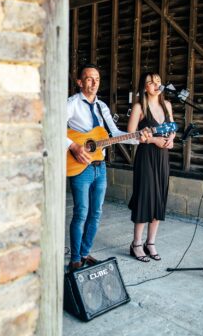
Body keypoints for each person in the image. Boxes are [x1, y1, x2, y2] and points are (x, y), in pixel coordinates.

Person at [67, 64, 147, 271]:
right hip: (80, 167)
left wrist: (138, 137)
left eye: (97, 79)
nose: (93, 83)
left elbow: (113, 133)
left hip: (100, 167)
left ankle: (85, 253)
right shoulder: (71, 104)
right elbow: (52, 126)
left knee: (96, 213)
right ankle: (75, 258)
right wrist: (74, 146)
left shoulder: (102, 107)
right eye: (89, 79)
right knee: (81, 213)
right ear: (79, 82)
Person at [127, 72, 175, 262]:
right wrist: (153, 139)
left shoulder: (167, 105)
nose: (155, 85)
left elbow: (172, 128)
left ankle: (151, 242)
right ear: (144, 87)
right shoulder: (140, 106)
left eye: (158, 81)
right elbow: (130, 135)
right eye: (150, 83)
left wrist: (171, 140)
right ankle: (136, 243)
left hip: (163, 157)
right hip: (146, 156)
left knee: (159, 198)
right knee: (145, 197)